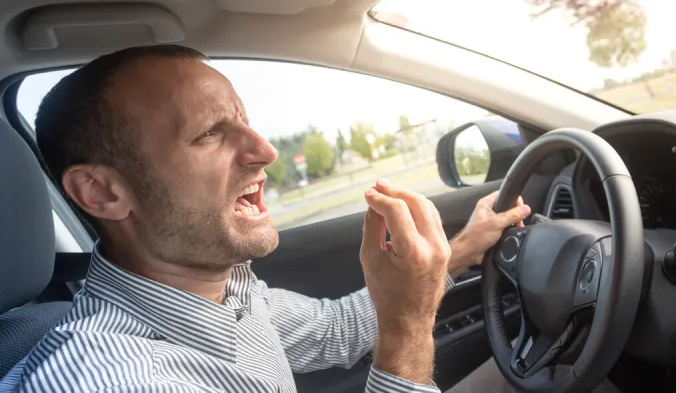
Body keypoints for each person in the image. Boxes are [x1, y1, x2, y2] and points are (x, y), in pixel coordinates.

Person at [0, 45, 532, 393]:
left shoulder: (224, 291)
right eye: (210, 133)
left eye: (246, 122)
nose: (265, 151)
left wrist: (465, 246)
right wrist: (407, 327)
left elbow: (333, 331)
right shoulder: (110, 378)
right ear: (102, 193)